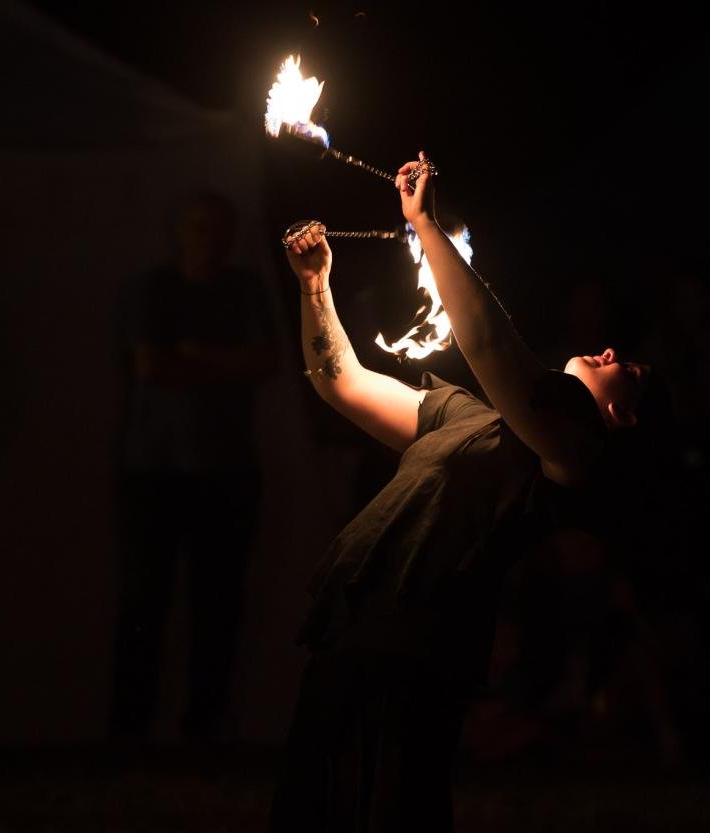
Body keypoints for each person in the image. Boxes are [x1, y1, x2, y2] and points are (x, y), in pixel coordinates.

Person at [268, 153, 654, 831]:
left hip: (415, 652)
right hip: (349, 635)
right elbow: (340, 380)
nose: (609, 351)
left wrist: (427, 226)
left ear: (622, 418)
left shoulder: (570, 457)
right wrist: (316, 287)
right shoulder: (468, 416)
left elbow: (489, 344)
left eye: (628, 368)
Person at [108, 191, 277, 743]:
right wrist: (221, 361)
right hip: (154, 469)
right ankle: (131, 731)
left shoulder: (244, 290)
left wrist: (195, 355)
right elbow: (152, 368)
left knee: (218, 605)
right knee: (143, 602)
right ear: (178, 232)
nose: (205, 239)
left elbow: (265, 363)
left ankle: (204, 730)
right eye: (195, 227)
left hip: (225, 471)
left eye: (214, 228)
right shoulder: (154, 289)